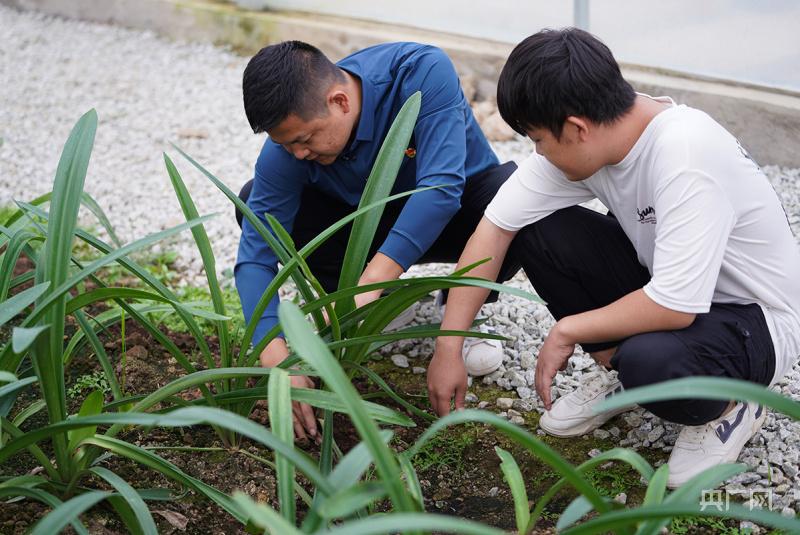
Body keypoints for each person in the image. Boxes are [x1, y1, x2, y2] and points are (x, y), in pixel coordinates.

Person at [427, 28, 800, 488]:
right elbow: (496, 227)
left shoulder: (685, 153)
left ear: (576, 127)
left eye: (539, 140)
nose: (536, 152)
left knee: (651, 360)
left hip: (753, 320)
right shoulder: (599, 140)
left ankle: (730, 405)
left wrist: (568, 329)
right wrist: (448, 347)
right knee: (536, 229)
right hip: (668, 292)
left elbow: (675, 306)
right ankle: (621, 373)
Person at [236, 40, 521, 442]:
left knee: (512, 198)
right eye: (287, 145)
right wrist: (276, 356)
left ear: (339, 101)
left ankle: (461, 305)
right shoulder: (289, 148)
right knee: (251, 203)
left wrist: (372, 280)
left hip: (457, 214)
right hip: (366, 229)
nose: (297, 153)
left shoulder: (419, 72)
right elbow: (254, 258)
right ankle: (375, 310)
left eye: (305, 139)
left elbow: (440, 189)